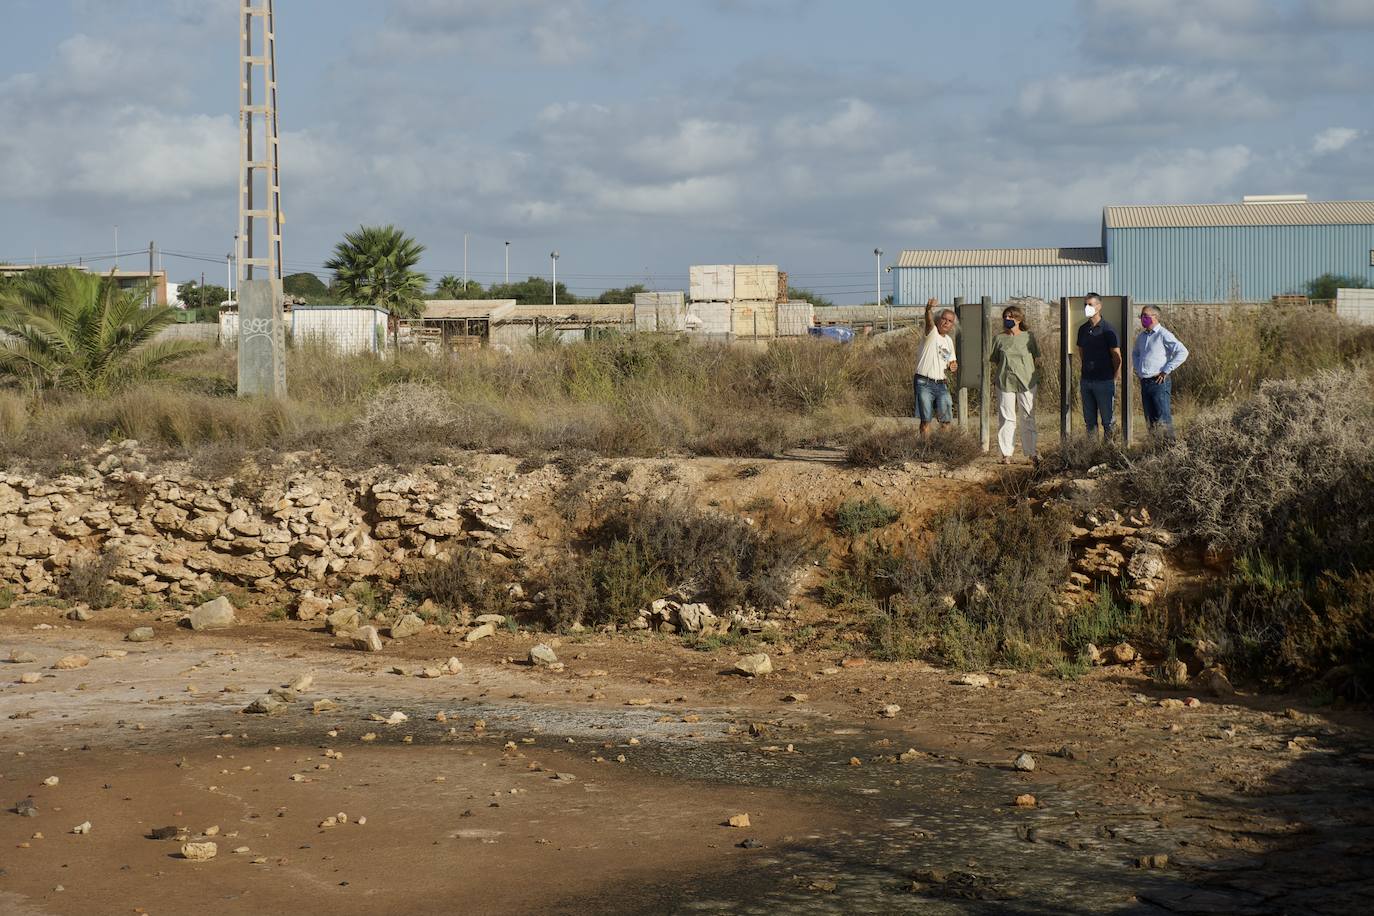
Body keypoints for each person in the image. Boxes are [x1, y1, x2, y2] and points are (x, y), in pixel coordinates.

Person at [988, 305, 1040, 464]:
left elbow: (1036, 358)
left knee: (1027, 416)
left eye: (1011, 316)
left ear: (1019, 319)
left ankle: (1031, 452)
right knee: (1006, 417)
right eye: (1005, 316)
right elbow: (995, 358)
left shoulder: (1028, 337)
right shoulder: (998, 338)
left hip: (1026, 382)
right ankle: (1006, 454)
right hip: (1005, 381)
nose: (1007, 319)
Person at [1132, 305, 1188, 437]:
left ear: (1155, 317)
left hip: (1159, 383)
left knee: (1163, 420)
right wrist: (1138, 369)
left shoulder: (1163, 335)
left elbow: (1182, 352)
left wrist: (1166, 370)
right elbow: (1135, 354)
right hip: (1145, 383)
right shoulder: (1142, 336)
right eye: (1142, 316)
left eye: (1146, 316)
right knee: (1150, 421)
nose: (1142, 319)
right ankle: (1154, 450)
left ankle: (1169, 449)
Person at [1076, 293, 1121, 437]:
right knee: (1089, 422)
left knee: (1108, 421)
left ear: (1099, 306)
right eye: (1085, 305)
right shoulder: (1083, 329)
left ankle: (1109, 450)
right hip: (1087, 380)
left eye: (1090, 304)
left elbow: (1116, 355)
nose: (1087, 307)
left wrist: (1115, 376)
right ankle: (1092, 451)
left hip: (1104, 381)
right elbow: (1081, 352)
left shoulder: (1108, 329)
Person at [913, 297, 957, 435]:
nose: (946, 322)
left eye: (950, 321)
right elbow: (929, 321)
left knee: (946, 419)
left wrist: (953, 366)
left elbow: (951, 361)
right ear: (938, 319)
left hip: (941, 384)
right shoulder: (932, 333)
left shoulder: (949, 341)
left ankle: (944, 448)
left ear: (952, 325)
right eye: (944, 319)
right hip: (924, 381)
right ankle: (926, 449)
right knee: (926, 420)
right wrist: (928, 309)